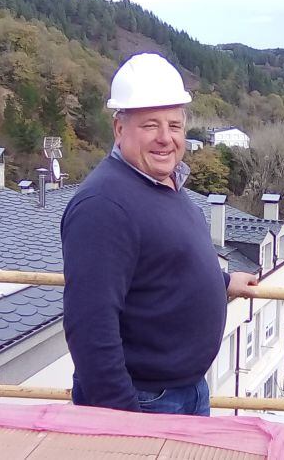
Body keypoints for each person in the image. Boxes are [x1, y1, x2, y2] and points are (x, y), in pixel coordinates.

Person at [61, 53, 258, 415]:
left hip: (186, 390)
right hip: (144, 400)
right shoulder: (103, 205)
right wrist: (125, 422)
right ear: (120, 129)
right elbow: (90, 326)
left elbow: (163, 262)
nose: (165, 138)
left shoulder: (161, 182)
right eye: (151, 125)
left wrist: (222, 281)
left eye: (175, 125)